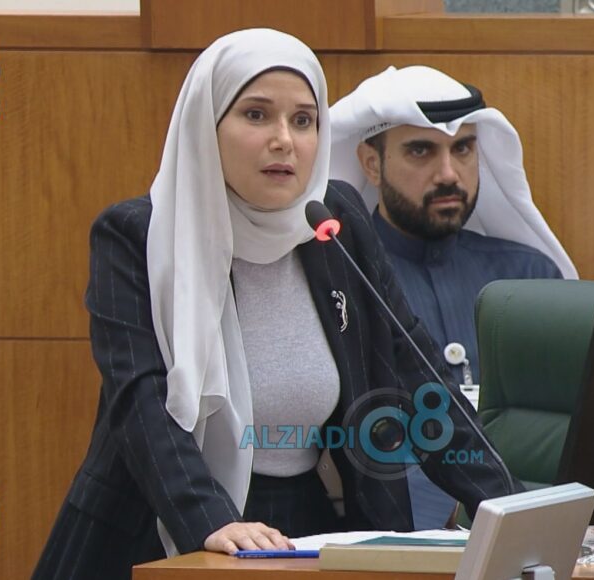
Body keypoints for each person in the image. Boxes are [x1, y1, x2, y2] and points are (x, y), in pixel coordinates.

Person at [32, 29, 519, 580]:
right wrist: (210, 519)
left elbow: (418, 372)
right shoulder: (137, 236)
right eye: (257, 115)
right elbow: (140, 400)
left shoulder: (333, 220)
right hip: (159, 521)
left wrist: (510, 506)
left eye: (303, 120)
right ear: (206, 125)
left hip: (303, 518)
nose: (284, 140)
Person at [329, 65, 578, 530]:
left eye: (463, 148)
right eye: (421, 150)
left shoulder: (530, 277)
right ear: (371, 163)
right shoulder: (343, 279)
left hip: (522, 527)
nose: (449, 174)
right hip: (390, 536)